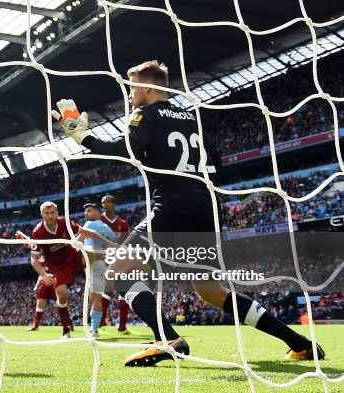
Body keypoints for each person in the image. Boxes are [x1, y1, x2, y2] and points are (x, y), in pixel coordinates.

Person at [52, 60, 324, 365]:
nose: (129, 95)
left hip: (172, 207)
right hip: (206, 210)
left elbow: (121, 150)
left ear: (147, 87)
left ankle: (168, 339)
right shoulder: (192, 118)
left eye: (131, 88)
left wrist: (80, 136)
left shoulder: (145, 114)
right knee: (211, 291)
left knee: (117, 272)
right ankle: (300, 343)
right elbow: (217, 162)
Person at [28, 201, 117, 338]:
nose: (50, 216)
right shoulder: (38, 232)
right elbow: (34, 260)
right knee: (62, 294)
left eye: (53, 213)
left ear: (57, 213)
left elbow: (88, 233)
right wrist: (44, 275)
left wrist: (109, 243)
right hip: (57, 265)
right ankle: (66, 328)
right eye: (47, 213)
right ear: (42, 215)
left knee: (94, 254)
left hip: (72, 255)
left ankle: (121, 257)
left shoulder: (65, 222)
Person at [76, 203, 117, 337]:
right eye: (85, 211)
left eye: (89, 211)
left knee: (94, 299)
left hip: (94, 263)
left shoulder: (89, 225)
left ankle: (94, 330)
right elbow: (115, 242)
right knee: (95, 297)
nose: (86, 213)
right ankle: (94, 328)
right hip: (102, 263)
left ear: (99, 213)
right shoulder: (107, 228)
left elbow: (77, 241)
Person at [99, 194, 132, 335]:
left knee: (122, 291)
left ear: (114, 204)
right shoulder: (98, 221)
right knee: (107, 290)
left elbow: (128, 242)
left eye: (107, 202)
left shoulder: (122, 223)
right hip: (103, 258)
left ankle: (122, 326)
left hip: (120, 258)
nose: (104, 205)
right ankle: (100, 321)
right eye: (102, 203)